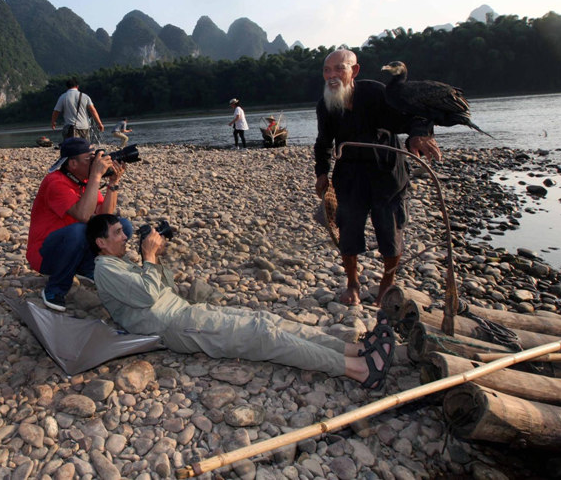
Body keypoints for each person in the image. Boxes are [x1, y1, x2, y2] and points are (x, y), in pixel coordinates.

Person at [87, 213, 394, 389]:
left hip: (186, 313)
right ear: (101, 242)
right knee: (262, 336)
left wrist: (156, 257)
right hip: (175, 327)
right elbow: (148, 294)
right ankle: (359, 370)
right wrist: (149, 256)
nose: (125, 237)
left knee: (268, 321)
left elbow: (164, 286)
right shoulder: (105, 270)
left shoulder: (119, 263)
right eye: (118, 233)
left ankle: (355, 349)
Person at [314, 48, 441, 307]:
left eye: (339, 68)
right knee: (347, 231)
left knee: (390, 232)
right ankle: (353, 283)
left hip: (387, 173)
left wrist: (418, 135)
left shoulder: (377, 93)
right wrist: (322, 172)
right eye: (327, 70)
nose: (331, 75)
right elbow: (324, 141)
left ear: (354, 71)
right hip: (350, 175)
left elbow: (415, 114)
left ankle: (386, 284)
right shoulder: (326, 103)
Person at [26, 138, 133, 312]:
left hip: (74, 247)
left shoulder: (83, 182)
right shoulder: (55, 182)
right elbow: (84, 216)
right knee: (79, 231)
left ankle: (88, 268)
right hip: (45, 253)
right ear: (73, 163)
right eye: (89, 159)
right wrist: (96, 176)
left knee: (121, 227)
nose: (95, 162)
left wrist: (113, 183)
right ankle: (55, 288)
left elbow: (105, 218)